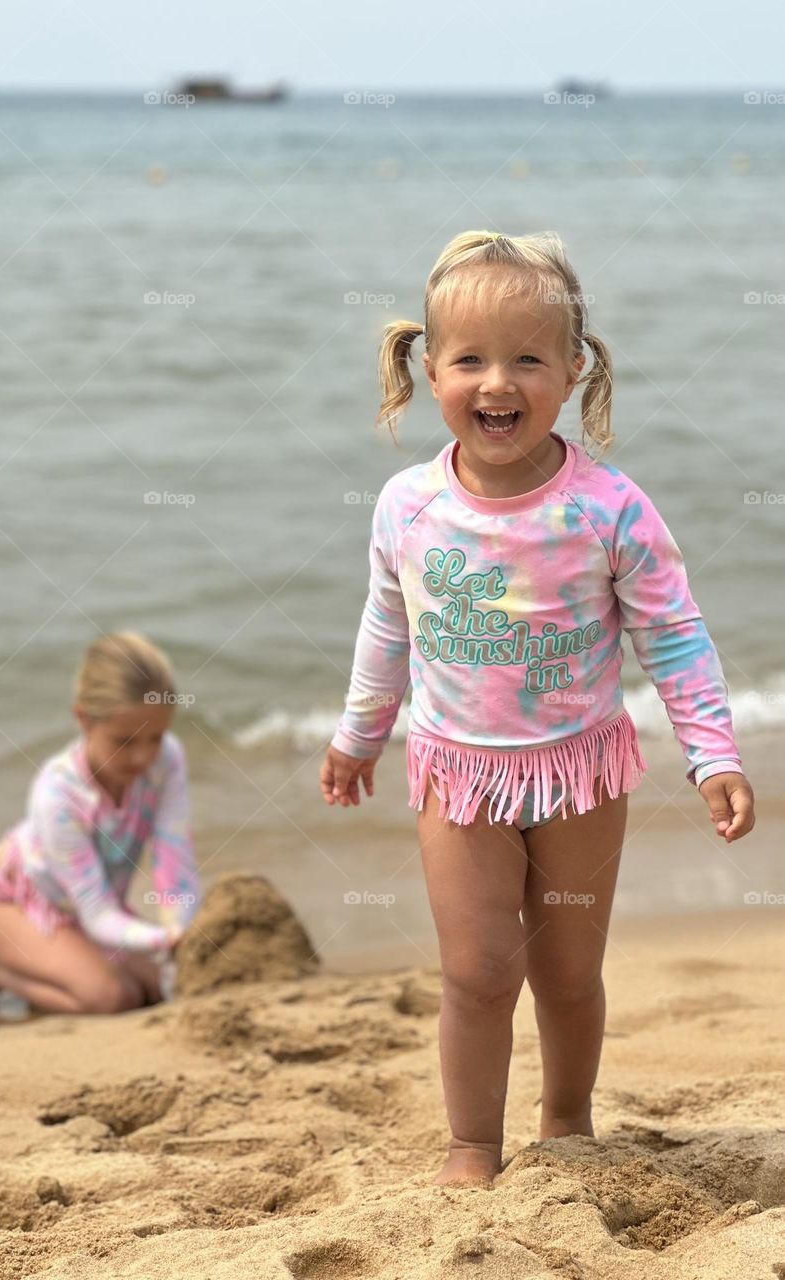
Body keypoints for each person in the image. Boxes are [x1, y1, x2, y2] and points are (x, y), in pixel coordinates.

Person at [319, 230, 755, 1188]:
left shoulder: (609, 507)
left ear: (572, 373)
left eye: (527, 358)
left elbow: (672, 632)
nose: (496, 382)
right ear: (426, 369)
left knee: (564, 974)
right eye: (468, 359)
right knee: (477, 973)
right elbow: (386, 626)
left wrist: (712, 753)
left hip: (579, 771)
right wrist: (359, 735)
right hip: (457, 774)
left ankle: (566, 1120)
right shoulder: (406, 506)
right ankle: (470, 1142)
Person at [0, 631, 200, 1019]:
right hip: (6, 902)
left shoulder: (168, 761)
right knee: (113, 999)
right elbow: (98, 915)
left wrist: (180, 930)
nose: (143, 756)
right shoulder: (58, 795)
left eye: (155, 737)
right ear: (83, 717)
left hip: (84, 909)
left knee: (164, 988)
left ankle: (50, 965)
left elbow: (174, 861)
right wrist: (162, 938)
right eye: (124, 741)